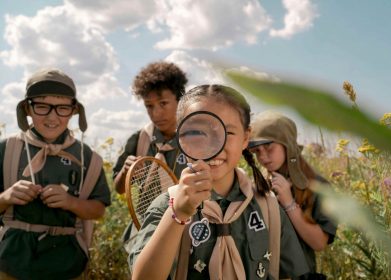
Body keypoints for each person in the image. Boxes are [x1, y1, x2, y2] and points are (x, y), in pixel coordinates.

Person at [129, 85, 310, 280]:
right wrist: (178, 213)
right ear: (180, 138)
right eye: (197, 133)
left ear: (245, 139)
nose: (214, 145)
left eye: (228, 133)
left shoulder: (269, 207)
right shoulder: (166, 207)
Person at [0, 68, 111, 279]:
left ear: (74, 111)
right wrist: (6, 198)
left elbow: (98, 211)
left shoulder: (88, 158)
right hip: (11, 262)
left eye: (62, 108)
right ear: (27, 109)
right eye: (42, 107)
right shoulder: (6, 150)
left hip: (66, 265)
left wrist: (71, 203)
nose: (52, 117)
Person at [248, 111, 337, 280]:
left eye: (269, 148)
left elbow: (319, 243)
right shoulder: (257, 185)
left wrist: (288, 202)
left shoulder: (318, 186)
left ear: (287, 144)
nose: (263, 157)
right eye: (257, 151)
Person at [112, 61, 189, 250]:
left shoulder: (194, 139)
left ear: (180, 100)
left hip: (184, 235)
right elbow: (119, 188)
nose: (156, 113)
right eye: (149, 106)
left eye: (163, 103)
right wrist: (126, 172)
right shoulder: (139, 140)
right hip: (143, 234)